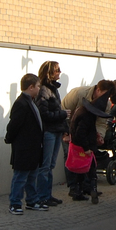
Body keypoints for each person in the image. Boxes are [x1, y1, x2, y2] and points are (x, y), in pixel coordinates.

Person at [61, 80, 116, 200]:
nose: (107, 99)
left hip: (87, 133)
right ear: (98, 90)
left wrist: (99, 136)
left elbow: (101, 122)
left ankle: (86, 187)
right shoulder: (78, 93)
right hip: (72, 130)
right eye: (106, 94)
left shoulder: (105, 104)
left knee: (87, 160)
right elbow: (64, 112)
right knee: (72, 159)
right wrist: (66, 133)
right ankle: (74, 188)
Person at [5, 73, 45, 215]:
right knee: (20, 177)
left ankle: (32, 200)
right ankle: (15, 203)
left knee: (32, 176)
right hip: (24, 147)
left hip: (33, 148)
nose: (39, 89)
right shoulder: (21, 103)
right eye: (38, 86)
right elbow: (14, 125)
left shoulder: (31, 102)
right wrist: (9, 138)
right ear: (31, 87)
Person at [34, 61, 70, 210]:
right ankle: (42, 196)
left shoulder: (53, 89)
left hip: (56, 130)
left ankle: (47, 195)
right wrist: (62, 114)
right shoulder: (44, 90)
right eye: (57, 70)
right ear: (50, 73)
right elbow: (44, 114)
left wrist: (65, 128)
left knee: (51, 165)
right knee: (45, 166)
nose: (59, 72)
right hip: (49, 131)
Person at [69, 94, 110, 204]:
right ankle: (93, 191)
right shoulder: (87, 116)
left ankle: (78, 192)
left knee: (80, 170)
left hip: (78, 146)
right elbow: (81, 132)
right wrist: (86, 148)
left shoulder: (82, 111)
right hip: (84, 147)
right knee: (91, 170)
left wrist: (95, 135)